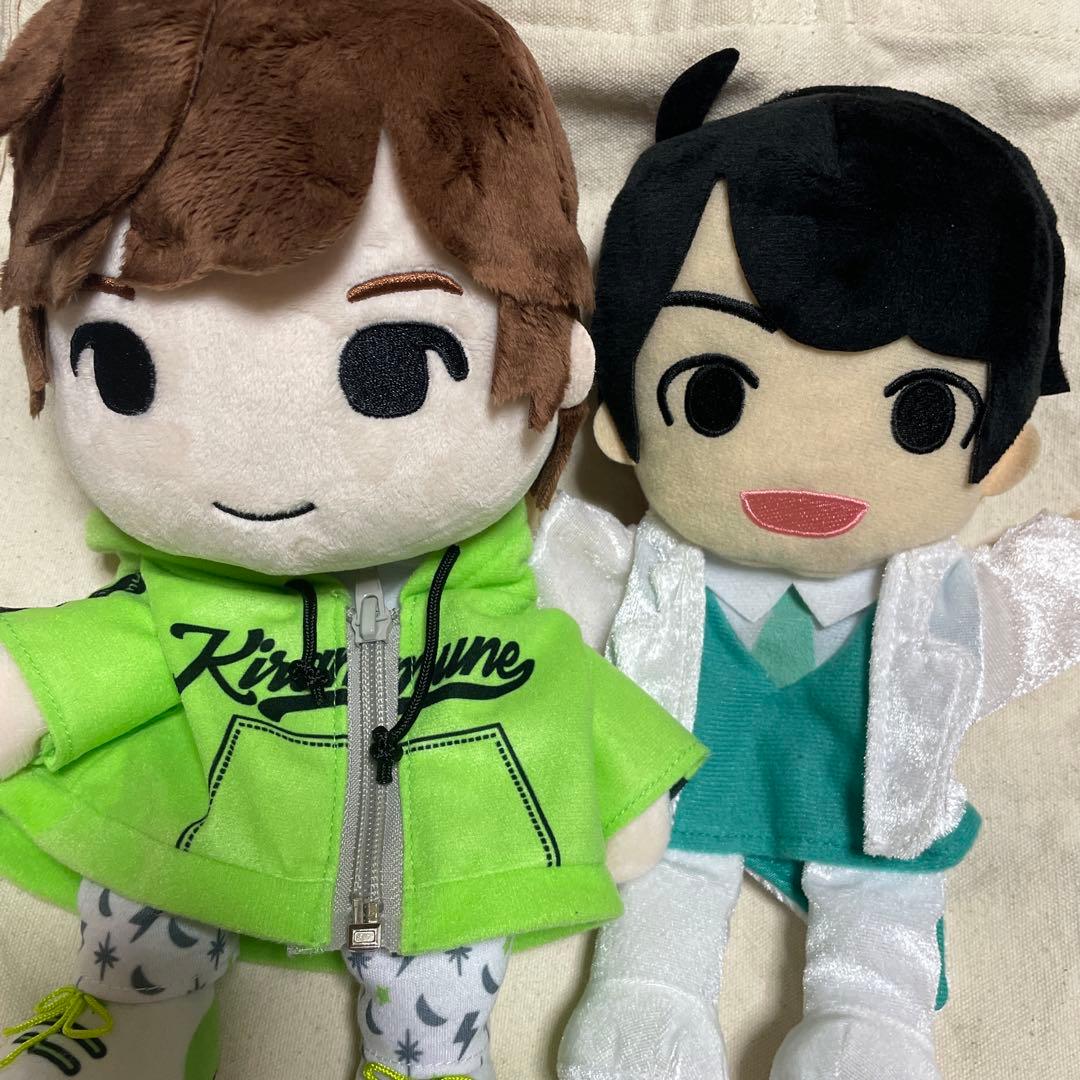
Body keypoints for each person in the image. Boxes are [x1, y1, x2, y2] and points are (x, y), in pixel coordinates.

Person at [0, 5, 706, 1079]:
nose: (256, 453)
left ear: (557, 356)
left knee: (450, 968)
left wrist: (629, 787)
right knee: (145, 915)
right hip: (187, 830)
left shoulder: (500, 604)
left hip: (447, 857)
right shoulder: (178, 604)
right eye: (121, 364)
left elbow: (563, 687)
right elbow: (83, 661)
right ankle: (132, 1023)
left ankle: (426, 1062)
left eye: (397, 365)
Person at [538, 50, 1080, 1080]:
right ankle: (646, 1005)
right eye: (712, 396)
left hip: (878, 829)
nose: (811, 466)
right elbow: (544, 565)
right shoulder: (650, 578)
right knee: (655, 926)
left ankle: (872, 1029)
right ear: (621, 426)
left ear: (1003, 453)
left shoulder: (943, 605)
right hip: (680, 816)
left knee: (881, 938)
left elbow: (1041, 601)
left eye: (923, 414)